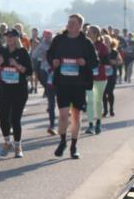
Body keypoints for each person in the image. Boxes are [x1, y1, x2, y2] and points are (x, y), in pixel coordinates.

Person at [47, 14, 98, 159]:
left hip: (79, 84)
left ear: (80, 26)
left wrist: (85, 62)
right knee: (63, 115)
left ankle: (74, 146)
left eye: (73, 23)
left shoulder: (85, 42)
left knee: (76, 116)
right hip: (62, 83)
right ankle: (63, 141)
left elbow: (95, 62)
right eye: (69, 22)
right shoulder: (59, 39)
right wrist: (54, 61)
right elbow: (50, 55)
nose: (70, 25)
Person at [0, 28, 33, 158]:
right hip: (5, 89)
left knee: (15, 119)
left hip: (19, 90)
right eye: (7, 36)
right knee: (3, 119)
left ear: (17, 38)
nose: (9, 39)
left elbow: (29, 71)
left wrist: (17, 65)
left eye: (11, 36)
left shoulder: (22, 52)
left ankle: (18, 146)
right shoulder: (2, 50)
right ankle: (7, 142)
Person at [85, 25, 109, 135]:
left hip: (100, 77)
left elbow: (106, 61)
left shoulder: (102, 46)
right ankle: (90, 125)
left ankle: (98, 122)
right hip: (89, 77)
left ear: (95, 34)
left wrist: (96, 60)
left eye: (89, 32)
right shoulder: (85, 44)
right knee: (90, 101)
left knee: (98, 100)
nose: (87, 33)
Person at [33, 30, 58, 134]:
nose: (48, 38)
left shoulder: (58, 45)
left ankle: (64, 118)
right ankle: (52, 125)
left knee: (62, 100)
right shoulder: (42, 45)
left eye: (49, 36)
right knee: (51, 100)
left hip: (59, 74)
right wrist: (41, 57)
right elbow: (34, 55)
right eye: (46, 36)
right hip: (47, 73)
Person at [102, 35, 121, 117]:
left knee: (110, 92)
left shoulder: (115, 52)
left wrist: (115, 62)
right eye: (104, 41)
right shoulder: (101, 52)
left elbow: (120, 61)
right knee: (103, 93)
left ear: (111, 42)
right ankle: (105, 110)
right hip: (102, 75)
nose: (106, 42)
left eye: (107, 41)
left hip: (112, 75)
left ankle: (111, 109)